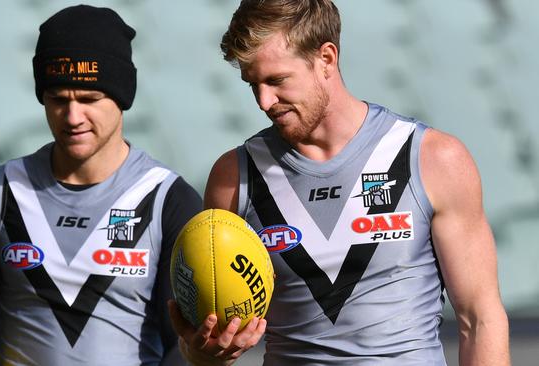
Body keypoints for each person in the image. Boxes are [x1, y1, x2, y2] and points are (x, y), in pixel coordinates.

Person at [169, 0, 510, 365]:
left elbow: (480, 319)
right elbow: (207, 347)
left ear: (327, 58)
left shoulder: (433, 158)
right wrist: (206, 352)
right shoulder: (235, 176)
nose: (265, 101)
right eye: (253, 84)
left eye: (277, 80)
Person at [0, 5, 200, 365]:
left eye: (89, 99)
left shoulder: (168, 200)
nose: (72, 117)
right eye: (58, 100)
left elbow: (183, 344)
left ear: (121, 98)